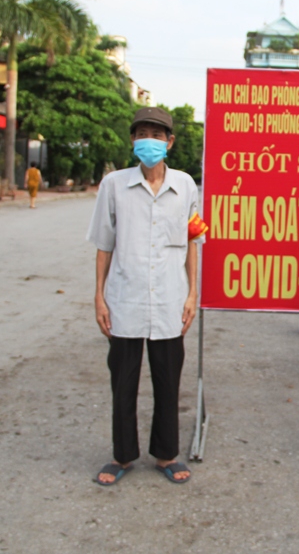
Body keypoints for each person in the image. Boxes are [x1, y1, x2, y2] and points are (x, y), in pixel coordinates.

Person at [86, 107, 207, 486]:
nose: (149, 140)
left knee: (168, 381)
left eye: (157, 134)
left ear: (170, 142)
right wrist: (99, 297)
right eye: (142, 133)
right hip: (125, 300)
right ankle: (121, 456)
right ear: (132, 140)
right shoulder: (114, 185)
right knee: (123, 381)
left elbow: (193, 243)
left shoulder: (186, 186)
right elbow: (104, 245)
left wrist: (192, 295)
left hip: (171, 300)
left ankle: (166, 454)